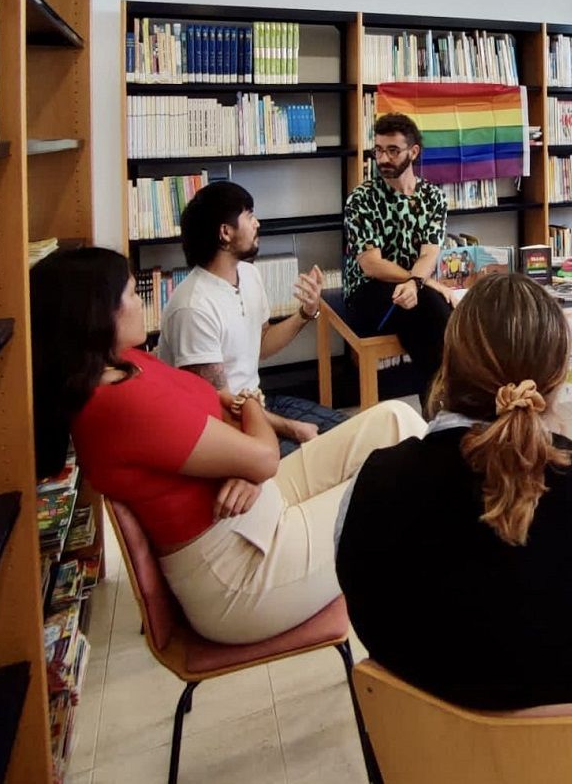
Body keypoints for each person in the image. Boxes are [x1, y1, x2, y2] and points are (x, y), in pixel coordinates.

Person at [337, 273, 572, 784]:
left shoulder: (367, 485)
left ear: (448, 365)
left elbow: (361, 595)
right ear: (557, 376)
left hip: (429, 763)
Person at [31, 247, 426, 645]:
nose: (141, 303)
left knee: (397, 419)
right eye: (133, 294)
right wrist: (250, 415)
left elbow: (221, 410)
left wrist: (249, 463)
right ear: (97, 313)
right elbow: (261, 450)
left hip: (251, 505)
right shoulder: (118, 404)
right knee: (400, 485)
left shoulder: (127, 362)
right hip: (242, 573)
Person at [156, 180, 345, 457]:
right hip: (227, 428)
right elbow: (217, 405)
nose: (257, 223)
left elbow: (261, 344)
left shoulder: (249, 274)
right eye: (249, 215)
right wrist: (291, 428)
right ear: (225, 232)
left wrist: (306, 313)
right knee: (324, 459)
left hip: (259, 407)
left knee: (352, 434)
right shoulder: (193, 307)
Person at [342, 112, 454, 400]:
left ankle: (442, 398)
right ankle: (445, 401)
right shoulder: (361, 199)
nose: (383, 159)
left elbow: (430, 252)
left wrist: (417, 283)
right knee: (430, 306)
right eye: (378, 150)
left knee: (434, 313)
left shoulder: (433, 197)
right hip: (369, 291)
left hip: (412, 288)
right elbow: (371, 265)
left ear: (413, 152)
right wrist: (423, 282)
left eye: (393, 150)